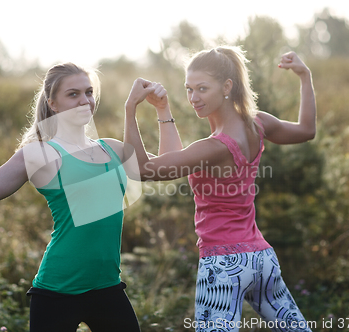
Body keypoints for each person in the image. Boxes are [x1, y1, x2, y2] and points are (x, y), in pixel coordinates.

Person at [124, 47, 316, 331]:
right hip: (261, 259)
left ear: (227, 86)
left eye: (202, 88)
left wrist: (130, 110)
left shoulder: (213, 148)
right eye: (189, 89)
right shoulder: (257, 123)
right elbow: (306, 130)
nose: (193, 98)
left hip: (223, 265)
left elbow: (142, 170)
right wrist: (305, 76)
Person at [0, 62, 150, 331]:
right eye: (73, 94)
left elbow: (159, 168)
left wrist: (145, 110)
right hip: (57, 292)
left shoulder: (111, 148)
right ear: (53, 104)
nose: (85, 101)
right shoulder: (40, 153)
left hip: (107, 288)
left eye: (89, 92)